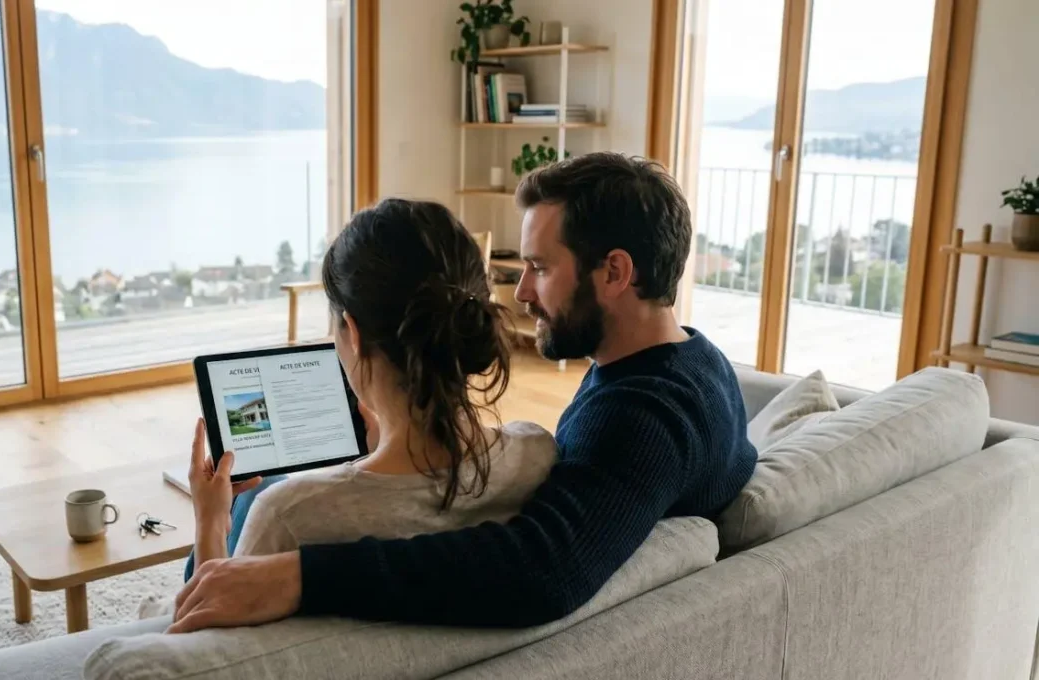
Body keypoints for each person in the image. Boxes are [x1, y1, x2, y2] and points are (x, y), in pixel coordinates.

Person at [166, 152, 758, 633]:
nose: (522, 292)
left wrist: (297, 574)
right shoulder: (695, 362)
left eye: (540, 267)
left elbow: (541, 571)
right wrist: (402, 435)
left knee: (255, 500)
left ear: (615, 273)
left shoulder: (640, 419)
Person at [147, 198, 559, 618]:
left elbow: (211, 642)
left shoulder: (290, 515)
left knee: (254, 496)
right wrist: (386, 450)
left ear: (355, 334)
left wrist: (211, 520)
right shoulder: (536, 453)